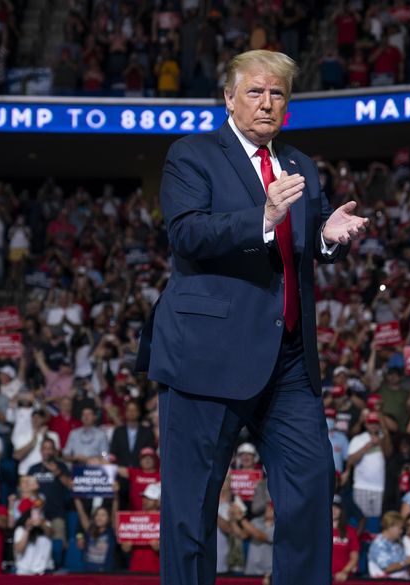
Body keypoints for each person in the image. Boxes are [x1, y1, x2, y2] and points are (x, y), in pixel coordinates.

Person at [136, 49, 367, 585]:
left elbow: (304, 245)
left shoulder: (300, 165)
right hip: (205, 358)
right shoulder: (192, 155)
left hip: (287, 362)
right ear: (230, 98)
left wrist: (329, 240)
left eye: (278, 93)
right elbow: (187, 233)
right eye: (256, 92)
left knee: (311, 493)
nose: (267, 103)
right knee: (190, 511)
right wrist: (261, 216)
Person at [347, 410, 392, 520]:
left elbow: (388, 454)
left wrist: (380, 442)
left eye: (376, 423)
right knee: (360, 519)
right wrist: (367, 446)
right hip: (361, 485)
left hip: (379, 487)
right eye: (371, 423)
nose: (373, 425)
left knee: (375, 520)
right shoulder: (358, 439)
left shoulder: (384, 438)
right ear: (366, 424)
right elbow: (351, 460)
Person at [368, 511, 410, 578]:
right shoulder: (378, 545)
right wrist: (408, 562)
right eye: (400, 528)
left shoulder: (397, 543)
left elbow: (402, 562)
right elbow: (387, 568)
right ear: (390, 526)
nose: (401, 531)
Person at [13, 498, 55, 575]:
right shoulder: (20, 530)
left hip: (45, 571)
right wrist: (27, 530)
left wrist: (42, 524)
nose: (35, 514)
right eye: (33, 512)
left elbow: (51, 533)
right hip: (25, 573)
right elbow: (19, 550)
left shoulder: (45, 523)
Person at [331, 495, 360, 581]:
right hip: (324, 577)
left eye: (337, 507)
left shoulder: (350, 531)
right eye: (331, 507)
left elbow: (354, 557)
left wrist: (344, 572)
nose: (334, 510)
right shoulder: (319, 530)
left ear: (341, 510)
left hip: (344, 578)